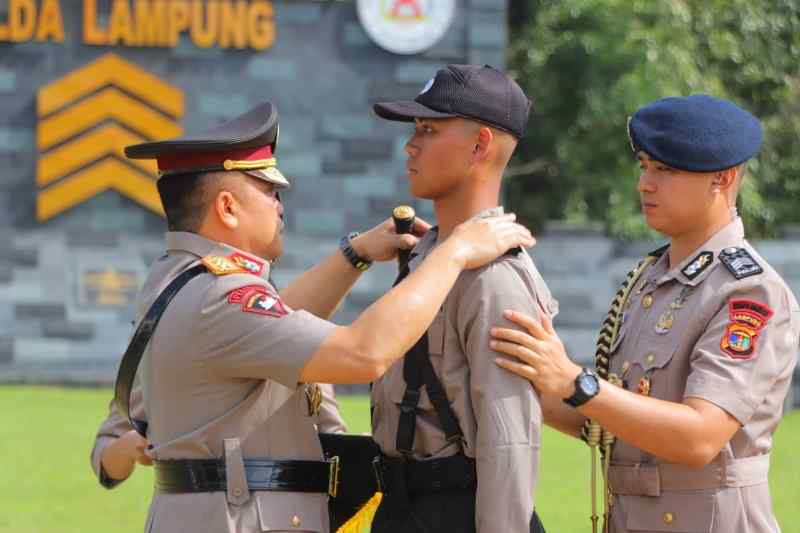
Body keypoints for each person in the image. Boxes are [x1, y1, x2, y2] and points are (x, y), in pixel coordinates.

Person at [111, 101, 534, 533]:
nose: (279, 206)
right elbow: (362, 354)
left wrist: (357, 253)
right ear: (227, 208)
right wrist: (456, 252)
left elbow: (278, 323)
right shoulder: (223, 296)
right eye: (269, 192)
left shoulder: (179, 280)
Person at [490, 94, 800, 532]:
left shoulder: (748, 291)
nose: (644, 184)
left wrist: (577, 382)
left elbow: (699, 437)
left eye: (666, 170)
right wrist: (525, 371)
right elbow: (602, 424)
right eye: (644, 167)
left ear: (723, 178)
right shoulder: (650, 280)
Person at [368, 64, 554, 533]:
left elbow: (508, 442)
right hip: (404, 504)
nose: (411, 145)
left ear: (480, 145)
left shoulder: (495, 277)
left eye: (429, 130)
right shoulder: (433, 255)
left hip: (457, 511)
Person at [90, 383, 346, 488]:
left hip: (286, 517)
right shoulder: (165, 345)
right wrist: (130, 445)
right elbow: (105, 463)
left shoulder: (299, 343)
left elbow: (333, 440)